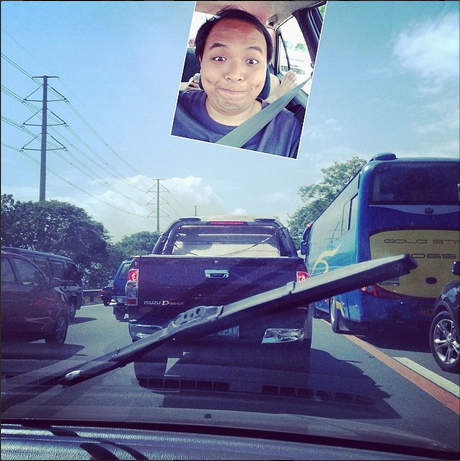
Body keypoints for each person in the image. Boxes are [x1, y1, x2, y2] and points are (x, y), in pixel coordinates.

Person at [171, 7, 302, 158]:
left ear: (265, 67)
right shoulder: (171, 111)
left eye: (252, 61)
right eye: (219, 58)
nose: (234, 75)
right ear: (201, 60)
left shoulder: (290, 132)